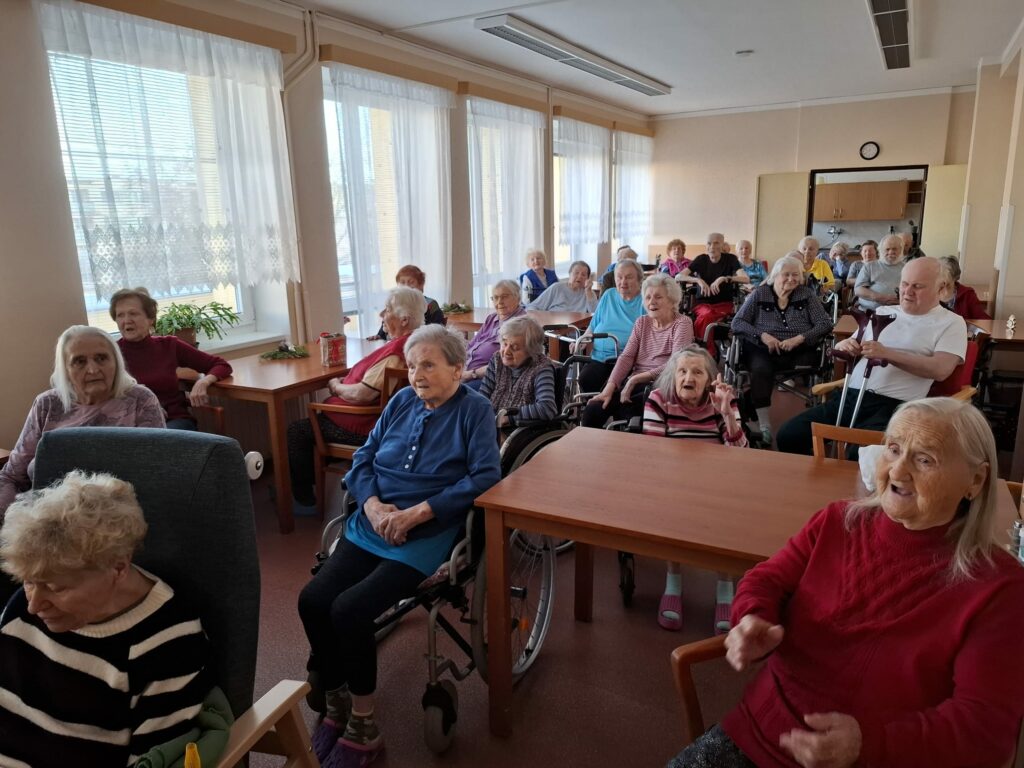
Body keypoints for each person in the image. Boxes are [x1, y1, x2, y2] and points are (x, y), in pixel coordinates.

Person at [669, 398, 1024, 768]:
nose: (898, 470)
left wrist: (869, 745)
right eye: (893, 448)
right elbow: (766, 579)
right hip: (761, 732)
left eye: (925, 459)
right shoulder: (838, 521)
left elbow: (983, 732)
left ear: (975, 481)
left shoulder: (999, 588)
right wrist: (752, 616)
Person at [298, 325, 501, 767]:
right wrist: (372, 507)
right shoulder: (402, 400)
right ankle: (337, 700)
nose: (416, 374)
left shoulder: (475, 409)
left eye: (428, 364)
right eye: (411, 365)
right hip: (373, 522)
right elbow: (364, 458)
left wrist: (418, 513)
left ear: (457, 368)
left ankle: (365, 725)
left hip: (425, 533)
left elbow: (485, 476)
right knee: (313, 600)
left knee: (349, 609)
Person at [0, 471, 219, 767]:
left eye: (56, 588)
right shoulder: (23, 605)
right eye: (28, 582)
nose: (33, 606)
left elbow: (151, 760)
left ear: (118, 568)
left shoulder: (169, 645)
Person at [777, 257, 967, 456]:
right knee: (789, 435)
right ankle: (819, 473)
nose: (907, 291)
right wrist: (844, 346)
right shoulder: (883, 312)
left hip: (896, 407)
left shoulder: (951, 322)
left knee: (858, 455)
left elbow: (940, 369)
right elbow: (846, 351)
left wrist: (888, 354)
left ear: (941, 288)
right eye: (904, 284)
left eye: (917, 286)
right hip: (850, 396)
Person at [0, 325, 165, 516]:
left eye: (101, 358)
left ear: (116, 362)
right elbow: (11, 476)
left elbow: (158, 473)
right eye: (79, 361)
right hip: (45, 517)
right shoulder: (47, 404)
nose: (93, 370)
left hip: (120, 519)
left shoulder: (140, 400)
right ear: (66, 370)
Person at [286, 287, 426, 507]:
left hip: (365, 427)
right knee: (311, 428)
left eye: (387, 310)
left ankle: (304, 500)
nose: (382, 315)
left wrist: (336, 386)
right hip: (388, 423)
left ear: (404, 320)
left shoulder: (396, 353)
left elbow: (363, 394)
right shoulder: (418, 342)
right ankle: (330, 483)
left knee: (298, 431)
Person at [642, 346, 746, 633]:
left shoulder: (723, 399)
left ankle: (725, 587)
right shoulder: (659, 399)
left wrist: (727, 414)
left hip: (717, 480)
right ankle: (673, 583)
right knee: (672, 505)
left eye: (698, 372)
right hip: (672, 478)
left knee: (727, 506)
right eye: (683, 371)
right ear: (673, 376)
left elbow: (741, 453)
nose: (689, 378)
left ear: (710, 379)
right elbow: (653, 453)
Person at [731, 255, 833, 446]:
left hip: (799, 349)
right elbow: (738, 322)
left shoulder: (806, 294)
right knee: (761, 369)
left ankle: (753, 401)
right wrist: (763, 336)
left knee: (775, 371)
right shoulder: (760, 294)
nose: (791, 279)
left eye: (795, 275)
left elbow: (825, 323)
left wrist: (800, 338)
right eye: (786, 274)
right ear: (775, 276)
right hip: (762, 348)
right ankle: (764, 426)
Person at [110, 287, 232, 430]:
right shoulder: (111, 354)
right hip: (132, 426)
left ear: (150, 319)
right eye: (120, 315)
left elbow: (221, 365)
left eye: (133, 313)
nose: (126, 320)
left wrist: (204, 381)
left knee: (159, 438)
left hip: (173, 421)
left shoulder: (169, 345)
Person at [582, 273, 694, 428]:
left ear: (672, 300)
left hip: (663, 385)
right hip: (635, 383)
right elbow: (627, 356)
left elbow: (676, 364)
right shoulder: (642, 322)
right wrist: (609, 388)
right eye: (647, 297)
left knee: (630, 413)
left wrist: (635, 379)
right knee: (593, 409)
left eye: (658, 297)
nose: (652, 302)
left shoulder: (682, 323)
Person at [575, 259, 645, 393]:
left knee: (615, 386)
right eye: (619, 277)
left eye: (629, 277)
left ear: (639, 280)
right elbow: (593, 325)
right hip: (599, 358)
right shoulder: (609, 295)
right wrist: (583, 340)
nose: (623, 282)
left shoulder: (645, 301)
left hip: (629, 361)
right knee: (586, 379)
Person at [480, 315, 557, 429]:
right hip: (491, 425)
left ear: (531, 350)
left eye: (515, 347)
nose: (506, 352)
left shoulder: (541, 368)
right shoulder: (497, 360)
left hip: (520, 430)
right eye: (504, 343)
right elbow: (482, 397)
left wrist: (509, 418)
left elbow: (547, 408)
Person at [676, 232, 749, 348]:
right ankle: (708, 350)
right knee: (706, 315)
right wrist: (698, 280)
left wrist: (724, 278)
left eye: (716, 243)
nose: (712, 247)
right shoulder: (701, 259)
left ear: (722, 245)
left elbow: (746, 279)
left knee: (706, 317)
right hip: (702, 305)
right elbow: (678, 276)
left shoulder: (730, 259)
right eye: (709, 243)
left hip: (724, 304)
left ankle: (702, 349)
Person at [462, 279, 527, 387]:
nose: (499, 302)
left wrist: (472, 374)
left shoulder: (520, 324)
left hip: (490, 378)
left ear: (518, 298)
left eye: (504, 296)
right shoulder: (492, 318)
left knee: (453, 393)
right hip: (466, 372)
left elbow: (506, 363)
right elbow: (472, 344)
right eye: (495, 297)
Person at [368, 265, 446, 340]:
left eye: (411, 282)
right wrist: (379, 336)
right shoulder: (393, 305)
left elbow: (437, 333)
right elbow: (387, 326)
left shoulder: (431, 305)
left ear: (421, 285)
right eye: (402, 282)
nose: (406, 286)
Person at [855, 233, 905, 310]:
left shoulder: (907, 268)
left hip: (899, 310)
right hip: (870, 311)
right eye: (887, 249)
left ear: (901, 250)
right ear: (881, 250)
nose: (891, 252)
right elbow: (858, 290)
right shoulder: (869, 266)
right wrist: (879, 297)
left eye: (894, 249)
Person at [527, 259, 597, 312]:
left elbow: (596, 314)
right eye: (576, 273)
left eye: (583, 275)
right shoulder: (556, 288)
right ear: (569, 273)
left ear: (587, 278)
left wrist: (588, 292)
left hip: (577, 326)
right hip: (553, 325)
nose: (579, 276)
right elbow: (532, 307)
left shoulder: (589, 293)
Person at [939, 255, 991, 320]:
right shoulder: (930, 294)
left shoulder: (967, 295)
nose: (944, 288)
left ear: (954, 277)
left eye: (947, 284)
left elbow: (983, 319)